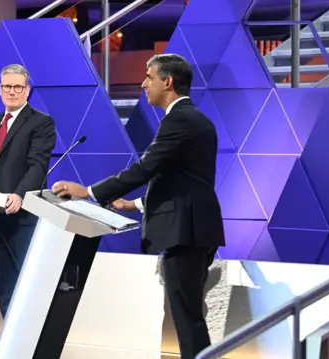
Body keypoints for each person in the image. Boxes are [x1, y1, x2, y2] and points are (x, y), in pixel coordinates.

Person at [51, 54, 225, 359]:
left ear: (167, 82)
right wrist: (135, 203)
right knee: (189, 316)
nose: (143, 83)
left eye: (149, 76)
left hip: (185, 232)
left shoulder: (179, 120)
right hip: (196, 228)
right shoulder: (195, 119)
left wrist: (89, 192)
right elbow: (180, 179)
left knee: (188, 320)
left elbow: (145, 168)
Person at [0, 64, 56, 356]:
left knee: (27, 285)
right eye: (7, 87)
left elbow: (37, 166)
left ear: (27, 90)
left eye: (18, 87)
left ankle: (34, 347)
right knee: (4, 285)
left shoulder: (41, 122)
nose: (12, 92)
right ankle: (11, 343)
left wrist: (19, 194)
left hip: (24, 217)